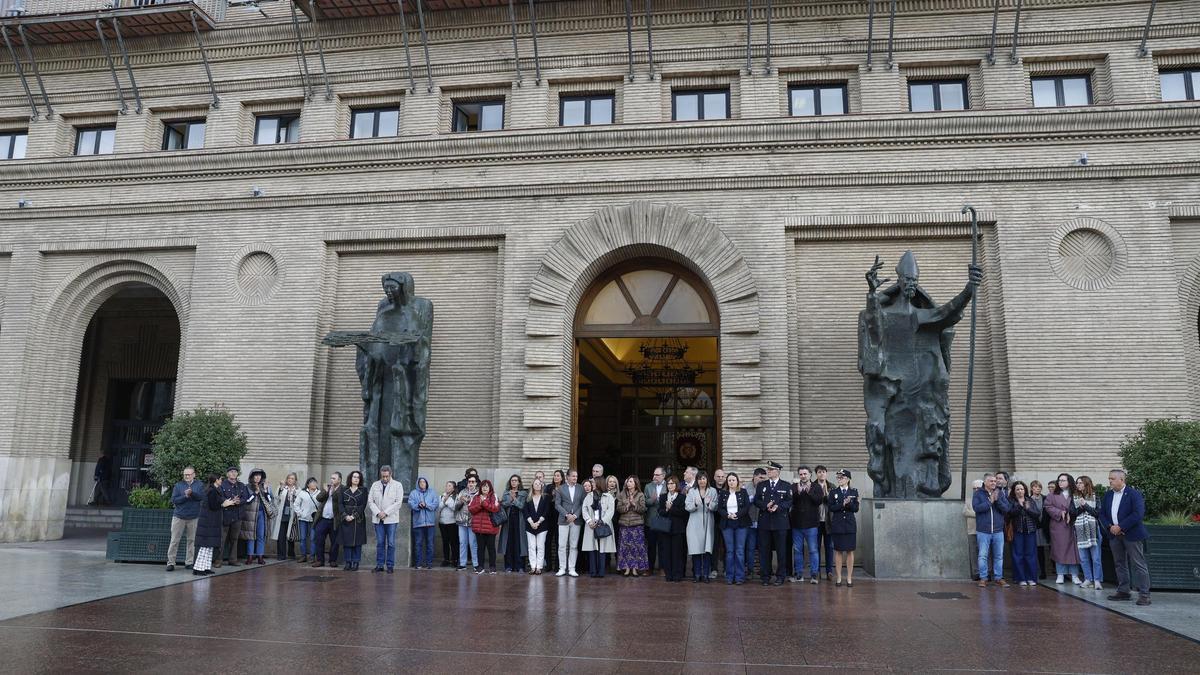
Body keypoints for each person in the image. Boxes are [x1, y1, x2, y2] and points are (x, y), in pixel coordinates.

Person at [1099, 469, 1150, 606]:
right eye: (1109, 478)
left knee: (1138, 564)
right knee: (1119, 563)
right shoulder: (1108, 495)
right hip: (1114, 535)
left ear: (1121, 480)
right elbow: (1102, 513)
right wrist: (1110, 526)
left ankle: (1144, 595)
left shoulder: (1134, 494)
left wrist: (1121, 527)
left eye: (1112, 478)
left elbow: (1138, 514)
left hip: (1131, 534)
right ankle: (1123, 591)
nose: (1109, 481)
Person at [754, 461, 792, 586]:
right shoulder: (761, 485)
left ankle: (780, 576)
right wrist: (765, 505)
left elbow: (789, 501)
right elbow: (756, 501)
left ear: (778, 471)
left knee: (781, 551)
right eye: (768, 469)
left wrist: (778, 507)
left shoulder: (786, 485)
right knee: (764, 551)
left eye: (771, 470)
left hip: (780, 523)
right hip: (765, 523)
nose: (768, 471)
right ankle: (765, 576)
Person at [972, 473, 1011, 588]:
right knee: (983, 555)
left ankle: (999, 578)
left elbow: (1007, 509)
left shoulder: (1000, 493)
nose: (994, 483)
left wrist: (997, 500)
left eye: (995, 481)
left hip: (998, 531)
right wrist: (990, 501)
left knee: (999, 556)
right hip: (983, 531)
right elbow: (977, 508)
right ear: (985, 482)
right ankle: (983, 578)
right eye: (991, 481)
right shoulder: (978, 494)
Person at [1045, 473, 1083, 585]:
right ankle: (1060, 574)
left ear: (1069, 482)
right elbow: (1048, 506)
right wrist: (1059, 512)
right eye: (1059, 480)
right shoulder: (1052, 495)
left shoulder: (1076, 494)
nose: (1060, 482)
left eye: (1063, 480)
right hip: (1058, 526)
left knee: (1073, 551)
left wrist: (1071, 513)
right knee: (1059, 550)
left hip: (1073, 525)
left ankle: (1074, 575)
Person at [789, 466, 825, 584]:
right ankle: (799, 574)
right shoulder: (794, 487)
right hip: (797, 524)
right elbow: (790, 501)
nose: (803, 476)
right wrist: (798, 493)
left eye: (805, 474)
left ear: (810, 474)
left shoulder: (816, 487)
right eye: (801, 474)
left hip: (811, 524)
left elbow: (818, 501)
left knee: (813, 550)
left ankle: (814, 574)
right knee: (797, 550)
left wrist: (809, 492)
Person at [368, 465, 405, 573]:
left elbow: (398, 502)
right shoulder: (375, 485)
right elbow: (370, 501)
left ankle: (390, 565)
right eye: (383, 476)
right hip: (378, 518)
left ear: (390, 474)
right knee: (380, 542)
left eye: (386, 476)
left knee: (391, 543)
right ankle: (379, 565)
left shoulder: (398, 485)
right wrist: (378, 512)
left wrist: (386, 512)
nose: (385, 478)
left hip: (391, 519)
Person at [166, 466, 203, 571]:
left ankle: (189, 562)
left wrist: (192, 493)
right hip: (179, 516)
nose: (187, 476)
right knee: (174, 540)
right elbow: (174, 500)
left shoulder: (199, 485)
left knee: (191, 540)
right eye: (185, 474)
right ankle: (171, 563)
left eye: (189, 474)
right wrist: (185, 496)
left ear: (194, 474)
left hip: (194, 516)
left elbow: (201, 497)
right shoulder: (178, 485)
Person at [828, 469, 860, 587]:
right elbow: (831, 507)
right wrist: (842, 504)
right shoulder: (833, 492)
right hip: (838, 524)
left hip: (850, 525)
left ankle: (849, 578)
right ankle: (839, 577)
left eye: (842, 477)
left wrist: (849, 503)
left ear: (848, 479)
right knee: (838, 550)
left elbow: (856, 508)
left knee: (850, 551)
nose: (839, 480)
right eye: (838, 478)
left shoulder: (854, 491)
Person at [1007, 481, 1041, 586]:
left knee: (1030, 555)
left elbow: (1037, 514)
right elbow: (1009, 514)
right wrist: (1020, 507)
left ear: (1025, 490)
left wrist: (1028, 508)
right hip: (1018, 531)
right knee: (1018, 555)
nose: (1020, 491)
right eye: (1017, 489)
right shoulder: (1011, 501)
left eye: (1021, 489)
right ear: (1014, 491)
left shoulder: (1030, 500)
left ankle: (1031, 578)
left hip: (1030, 531)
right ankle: (1020, 578)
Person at [718, 472, 750, 584]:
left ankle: (740, 577)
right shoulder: (723, 493)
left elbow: (747, 506)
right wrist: (727, 515)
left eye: (733, 480)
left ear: (737, 481)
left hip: (741, 524)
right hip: (727, 524)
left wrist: (737, 514)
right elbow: (720, 508)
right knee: (730, 551)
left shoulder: (743, 492)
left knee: (740, 551)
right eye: (730, 480)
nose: (731, 482)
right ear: (727, 482)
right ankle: (729, 577)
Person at [685, 471, 717, 583]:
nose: (702, 481)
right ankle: (697, 574)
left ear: (707, 480)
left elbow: (716, 506)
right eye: (699, 479)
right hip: (694, 524)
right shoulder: (692, 491)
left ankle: (706, 575)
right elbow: (687, 506)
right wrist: (695, 504)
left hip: (708, 523)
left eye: (704, 478)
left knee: (707, 550)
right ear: (697, 480)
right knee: (696, 550)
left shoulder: (712, 491)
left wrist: (709, 504)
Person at [1072, 476, 1104, 590]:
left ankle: (1097, 580)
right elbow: (1072, 513)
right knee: (1083, 557)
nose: (1078, 485)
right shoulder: (1074, 496)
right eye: (1077, 483)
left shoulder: (1096, 496)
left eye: (1080, 483)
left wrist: (1085, 505)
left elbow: (1097, 513)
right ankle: (1088, 579)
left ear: (1086, 484)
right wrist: (1081, 507)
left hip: (1094, 529)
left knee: (1095, 557)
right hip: (1080, 530)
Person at [193, 474, 227, 576]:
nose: (222, 480)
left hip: (211, 521)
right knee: (205, 546)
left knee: (209, 546)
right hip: (208, 522)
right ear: (216, 480)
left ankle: (206, 567)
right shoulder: (212, 491)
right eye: (221, 479)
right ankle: (198, 568)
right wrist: (224, 504)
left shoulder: (214, 490)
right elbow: (213, 506)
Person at [582, 478, 615, 578]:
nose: (592, 484)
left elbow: (610, 511)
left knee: (602, 548)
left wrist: (602, 521)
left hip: (603, 525)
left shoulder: (608, 496)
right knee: (592, 547)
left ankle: (601, 571)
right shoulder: (589, 496)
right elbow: (584, 509)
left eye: (593, 483)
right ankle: (593, 571)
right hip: (591, 526)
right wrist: (589, 521)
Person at [616, 475, 649, 577]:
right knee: (625, 547)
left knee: (636, 548)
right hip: (624, 524)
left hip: (637, 525)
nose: (628, 483)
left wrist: (634, 504)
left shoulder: (640, 494)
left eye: (631, 482)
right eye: (628, 482)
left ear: (635, 483)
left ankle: (635, 569)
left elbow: (643, 509)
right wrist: (626, 506)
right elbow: (618, 509)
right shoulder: (621, 494)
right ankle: (626, 568)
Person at [240, 468, 274, 566]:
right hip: (251, 514)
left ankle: (260, 556)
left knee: (261, 535)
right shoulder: (247, 487)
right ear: (252, 477)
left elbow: (270, 500)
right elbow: (246, 501)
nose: (257, 477)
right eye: (255, 475)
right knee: (251, 536)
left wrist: (266, 491)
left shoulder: (265, 487)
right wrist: (255, 493)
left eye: (259, 475)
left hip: (262, 514)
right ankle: (250, 556)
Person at [657, 476, 688, 582]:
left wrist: (671, 508)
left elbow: (683, 513)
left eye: (672, 483)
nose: (670, 486)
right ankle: (668, 575)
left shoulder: (682, 497)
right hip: (665, 528)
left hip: (677, 529)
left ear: (676, 485)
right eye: (668, 484)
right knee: (666, 552)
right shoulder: (663, 497)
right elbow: (660, 512)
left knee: (677, 552)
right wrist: (666, 509)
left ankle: (677, 575)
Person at [555, 469, 585, 577]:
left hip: (576, 521)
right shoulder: (560, 489)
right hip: (563, 520)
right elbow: (557, 505)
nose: (575, 478)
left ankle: (572, 568)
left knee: (573, 545)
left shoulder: (581, 489)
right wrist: (567, 515)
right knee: (562, 546)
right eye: (573, 476)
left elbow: (583, 504)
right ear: (567, 477)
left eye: (576, 476)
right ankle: (562, 568)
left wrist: (575, 515)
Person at [216, 467, 248, 568]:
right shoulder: (222, 484)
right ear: (227, 474)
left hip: (237, 515)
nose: (234, 474)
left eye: (235, 472)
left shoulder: (241, 485)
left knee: (234, 538)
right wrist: (229, 501)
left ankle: (233, 559)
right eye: (231, 472)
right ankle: (218, 560)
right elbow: (219, 497)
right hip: (225, 514)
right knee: (222, 539)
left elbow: (245, 498)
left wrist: (239, 501)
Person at [469, 478, 501, 574]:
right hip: (479, 528)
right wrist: (480, 504)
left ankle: (492, 567)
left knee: (491, 548)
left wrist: (484, 503)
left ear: (490, 488)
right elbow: (471, 509)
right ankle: (480, 567)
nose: (485, 488)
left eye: (487, 486)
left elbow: (495, 508)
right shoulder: (476, 496)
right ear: (480, 488)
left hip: (491, 528)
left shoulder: (493, 496)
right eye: (483, 486)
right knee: (480, 548)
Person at [338, 470, 368, 571]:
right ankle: (348, 562)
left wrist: (354, 515)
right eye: (354, 477)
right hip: (345, 518)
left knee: (357, 542)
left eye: (358, 477)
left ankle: (356, 562)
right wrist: (345, 515)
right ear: (350, 478)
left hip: (358, 519)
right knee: (347, 542)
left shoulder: (363, 490)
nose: (356, 479)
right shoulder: (343, 490)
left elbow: (363, 505)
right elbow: (340, 504)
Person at [407, 475, 437, 571]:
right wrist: (418, 505)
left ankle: (429, 563)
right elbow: (410, 503)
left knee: (430, 544)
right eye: (420, 482)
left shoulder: (432, 492)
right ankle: (418, 563)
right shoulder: (413, 493)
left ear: (426, 483)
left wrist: (426, 505)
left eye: (424, 482)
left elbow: (435, 504)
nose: (422, 484)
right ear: (418, 483)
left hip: (430, 523)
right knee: (418, 543)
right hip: (418, 523)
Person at [499, 474, 528, 573]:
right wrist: (510, 500)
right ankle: (508, 566)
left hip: (519, 521)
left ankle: (520, 566)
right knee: (508, 543)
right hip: (508, 521)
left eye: (516, 480)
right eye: (512, 480)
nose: (514, 482)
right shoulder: (506, 493)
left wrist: (514, 500)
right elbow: (502, 505)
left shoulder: (523, 493)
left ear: (519, 482)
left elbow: (522, 506)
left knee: (519, 543)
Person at [312, 472, 342, 568]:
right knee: (319, 539)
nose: (331, 480)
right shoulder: (327, 488)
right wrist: (325, 491)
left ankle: (332, 560)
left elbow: (340, 500)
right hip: (323, 519)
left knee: (334, 541)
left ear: (339, 480)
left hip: (335, 520)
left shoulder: (343, 489)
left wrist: (333, 492)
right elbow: (318, 498)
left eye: (334, 478)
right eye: (331, 478)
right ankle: (320, 560)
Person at [643, 466, 668, 575]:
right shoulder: (648, 486)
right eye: (654, 474)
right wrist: (651, 500)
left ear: (663, 476)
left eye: (657, 475)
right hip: (651, 520)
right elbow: (644, 502)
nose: (654, 477)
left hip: (663, 519)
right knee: (651, 546)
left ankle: (662, 568)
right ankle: (650, 568)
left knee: (663, 546)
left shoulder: (669, 485)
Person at [524, 478, 551, 574]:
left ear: (542, 485)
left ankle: (539, 567)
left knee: (540, 546)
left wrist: (538, 522)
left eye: (539, 484)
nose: (538, 485)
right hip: (530, 526)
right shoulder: (528, 497)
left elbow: (546, 511)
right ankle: (532, 567)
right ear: (532, 485)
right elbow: (525, 511)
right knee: (531, 547)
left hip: (542, 525)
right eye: (536, 484)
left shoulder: (546, 497)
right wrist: (531, 522)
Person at [813, 465, 835, 581]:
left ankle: (829, 571)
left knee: (829, 547)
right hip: (816, 522)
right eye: (819, 472)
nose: (821, 474)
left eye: (823, 472)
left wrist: (827, 496)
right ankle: (816, 571)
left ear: (826, 473)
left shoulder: (832, 486)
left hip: (828, 522)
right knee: (815, 547)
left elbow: (834, 503)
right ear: (816, 474)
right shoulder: (812, 486)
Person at [454, 475, 480, 571]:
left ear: (476, 483)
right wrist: (461, 501)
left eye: (473, 482)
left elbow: (480, 507)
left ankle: (476, 564)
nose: (471, 484)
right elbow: (455, 507)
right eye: (469, 482)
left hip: (473, 522)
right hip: (462, 521)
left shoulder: (478, 493)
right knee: (462, 543)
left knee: (473, 543)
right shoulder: (462, 492)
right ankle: (462, 563)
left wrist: (470, 502)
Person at [272, 472, 299, 561]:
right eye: (289, 478)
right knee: (281, 535)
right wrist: (280, 488)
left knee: (291, 535)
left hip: (292, 516)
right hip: (282, 515)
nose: (290, 480)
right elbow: (276, 499)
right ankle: (281, 554)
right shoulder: (282, 488)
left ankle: (291, 553)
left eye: (292, 478)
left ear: (295, 480)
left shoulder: (298, 490)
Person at [293, 478, 321, 563]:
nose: (314, 484)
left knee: (313, 538)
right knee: (303, 538)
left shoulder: (319, 493)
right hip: (303, 519)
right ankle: (303, 555)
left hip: (314, 519)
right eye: (312, 482)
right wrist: (300, 513)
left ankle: (312, 556)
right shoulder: (302, 493)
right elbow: (296, 504)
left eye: (315, 482)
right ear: (308, 484)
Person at [746, 468, 766, 577]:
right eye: (760, 477)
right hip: (749, 522)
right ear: (754, 476)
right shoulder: (746, 487)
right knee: (750, 548)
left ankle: (763, 570)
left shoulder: (766, 487)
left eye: (764, 478)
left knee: (763, 548)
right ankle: (750, 570)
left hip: (762, 522)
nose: (762, 480)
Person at [1029, 479, 1050, 580]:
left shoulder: (1046, 498)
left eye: (1039, 487)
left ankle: (1055, 569)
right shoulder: (1028, 499)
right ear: (1031, 488)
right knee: (1039, 550)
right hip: (1036, 527)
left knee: (1050, 548)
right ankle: (1042, 571)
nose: (1038, 489)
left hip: (1046, 527)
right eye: (1036, 487)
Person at [963, 478, 983, 581]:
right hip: (972, 530)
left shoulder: (986, 499)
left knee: (984, 553)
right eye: (974, 488)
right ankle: (975, 572)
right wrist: (979, 513)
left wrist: (974, 513)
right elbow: (965, 512)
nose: (976, 490)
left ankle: (985, 572)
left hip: (984, 530)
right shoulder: (968, 500)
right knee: (973, 553)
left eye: (978, 488)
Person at [437, 481, 459, 567]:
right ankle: (446, 559)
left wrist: (447, 502)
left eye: (449, 486)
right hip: (442, 523)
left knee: (453, 542)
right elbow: (439, 507)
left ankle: (455, 559)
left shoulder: (456, 497)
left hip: (452, 523)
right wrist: (444, 501)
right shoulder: (441, 496)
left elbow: (455, 508)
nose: (447, 487)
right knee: (445, 542)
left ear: (453, 488)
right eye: (446, 485)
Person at [546, 469, 564, 573]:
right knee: (547, 542)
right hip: (549, 518)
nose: (556, 477)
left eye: (558, 475)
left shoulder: (564, 488)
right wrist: (552, 495)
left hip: (559, 518)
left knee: (558, 543)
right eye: (555, 475)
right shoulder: (549, 488)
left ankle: (557, 566)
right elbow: (546, 502)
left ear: (562, 478)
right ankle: (548, 565)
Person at [710, 468, 727, 578]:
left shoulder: (729, 488)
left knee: (726, 546)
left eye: (722, 476)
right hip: (714, 521)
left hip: (726, 522)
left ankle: (726, 569)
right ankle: (714, 569)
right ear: (714, 477)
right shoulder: (710, 489)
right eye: (718, 476)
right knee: (714, 546)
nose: (720, 478)